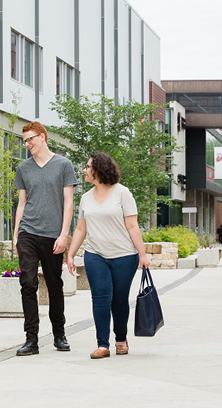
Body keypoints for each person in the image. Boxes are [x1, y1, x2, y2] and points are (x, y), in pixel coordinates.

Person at [66, 152, 150, 359]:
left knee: (119, 300)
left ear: (99, 169)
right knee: (100, 298)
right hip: (95, 255)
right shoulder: (86, 198)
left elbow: (132, 225)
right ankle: (102, 344)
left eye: (87, 167)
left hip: (124, 256)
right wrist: (70, 254)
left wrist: (142, 254)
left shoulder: (122, 193)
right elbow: (80, 230)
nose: (84, 170)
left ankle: (120, 338)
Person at [13, 121, 78, 356]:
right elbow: (21, 204)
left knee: (54, 285)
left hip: (53, 236)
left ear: (42, 137)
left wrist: (64, 234)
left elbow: (69, 202)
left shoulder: (63, 165)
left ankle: (59, 334)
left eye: (30, 139)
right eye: (25, 140)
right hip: (28, 232)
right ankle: (31, 340)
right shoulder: (23, 168)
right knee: (27, 284)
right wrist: (15, 235)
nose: (27, 144)